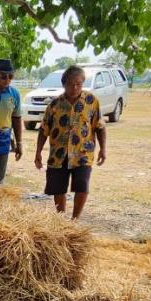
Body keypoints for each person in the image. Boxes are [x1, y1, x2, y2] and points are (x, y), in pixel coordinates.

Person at [34, 65, 106, 219]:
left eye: (78, 84)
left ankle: (74, 220)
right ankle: (61, 220)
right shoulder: (54, 105)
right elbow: (43, 129)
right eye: (70, 84)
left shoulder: (91, 101)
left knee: (82, 186)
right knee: (58, 188)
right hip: (59, 154)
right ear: (64, 84)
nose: (74, 87)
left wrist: (103, 150)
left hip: (83, 153)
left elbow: (99, 126)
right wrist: (38, 152)